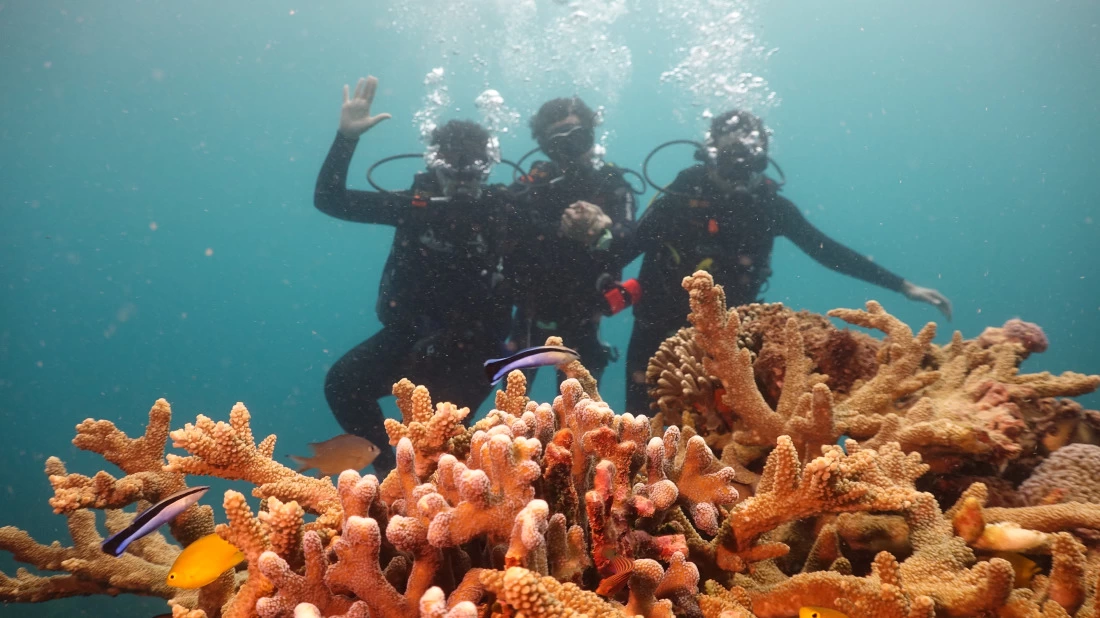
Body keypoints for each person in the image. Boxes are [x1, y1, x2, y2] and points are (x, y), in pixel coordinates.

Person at [617, 110, 952, 413]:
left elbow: (827, 251)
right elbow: (624, 251)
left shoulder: (769, 207)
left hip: (735, 338)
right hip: (655, 324)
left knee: (734, 435)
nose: (738, 169)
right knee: (638, 427)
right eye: (730, 157)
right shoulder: (679, 197)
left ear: (761, 158)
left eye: (747, 158)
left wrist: (902, 286)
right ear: (710, 155)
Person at [315, 75, 516, 475]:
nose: (463, 177)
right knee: (342, 383)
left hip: (474, 349)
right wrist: (346, 138)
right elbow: (329, 199)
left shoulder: (503, 211)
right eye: (453, 165)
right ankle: (390, 474)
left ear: (488, 166)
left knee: (438, 447)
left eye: (474, 167)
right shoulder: (414, 206)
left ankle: (429, 484)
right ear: (435, 164)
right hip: (408, 336)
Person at [508, 97, 638, 381]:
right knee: (511, 403)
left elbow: (630, 236)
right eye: (558, 141)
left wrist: (604, 233)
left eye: (578, 137)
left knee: (582, 406)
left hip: (585, 314)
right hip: (531, 310)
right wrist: (559, 230)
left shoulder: (611, 181)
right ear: (545, 146)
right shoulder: (534, 185)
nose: (570, 149)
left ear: (591, 137)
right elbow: (506, 224)